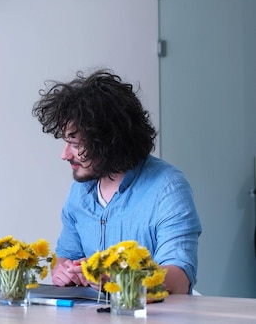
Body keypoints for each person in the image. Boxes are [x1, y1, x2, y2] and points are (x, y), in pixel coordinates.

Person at [31, 69, 202, 294]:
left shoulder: (168, 188)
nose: (65, 155)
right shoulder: (80, 190)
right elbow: (66, 257)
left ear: (107, 140)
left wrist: (118, 280)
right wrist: (65, 272)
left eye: (75, 144)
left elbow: (180, 279)